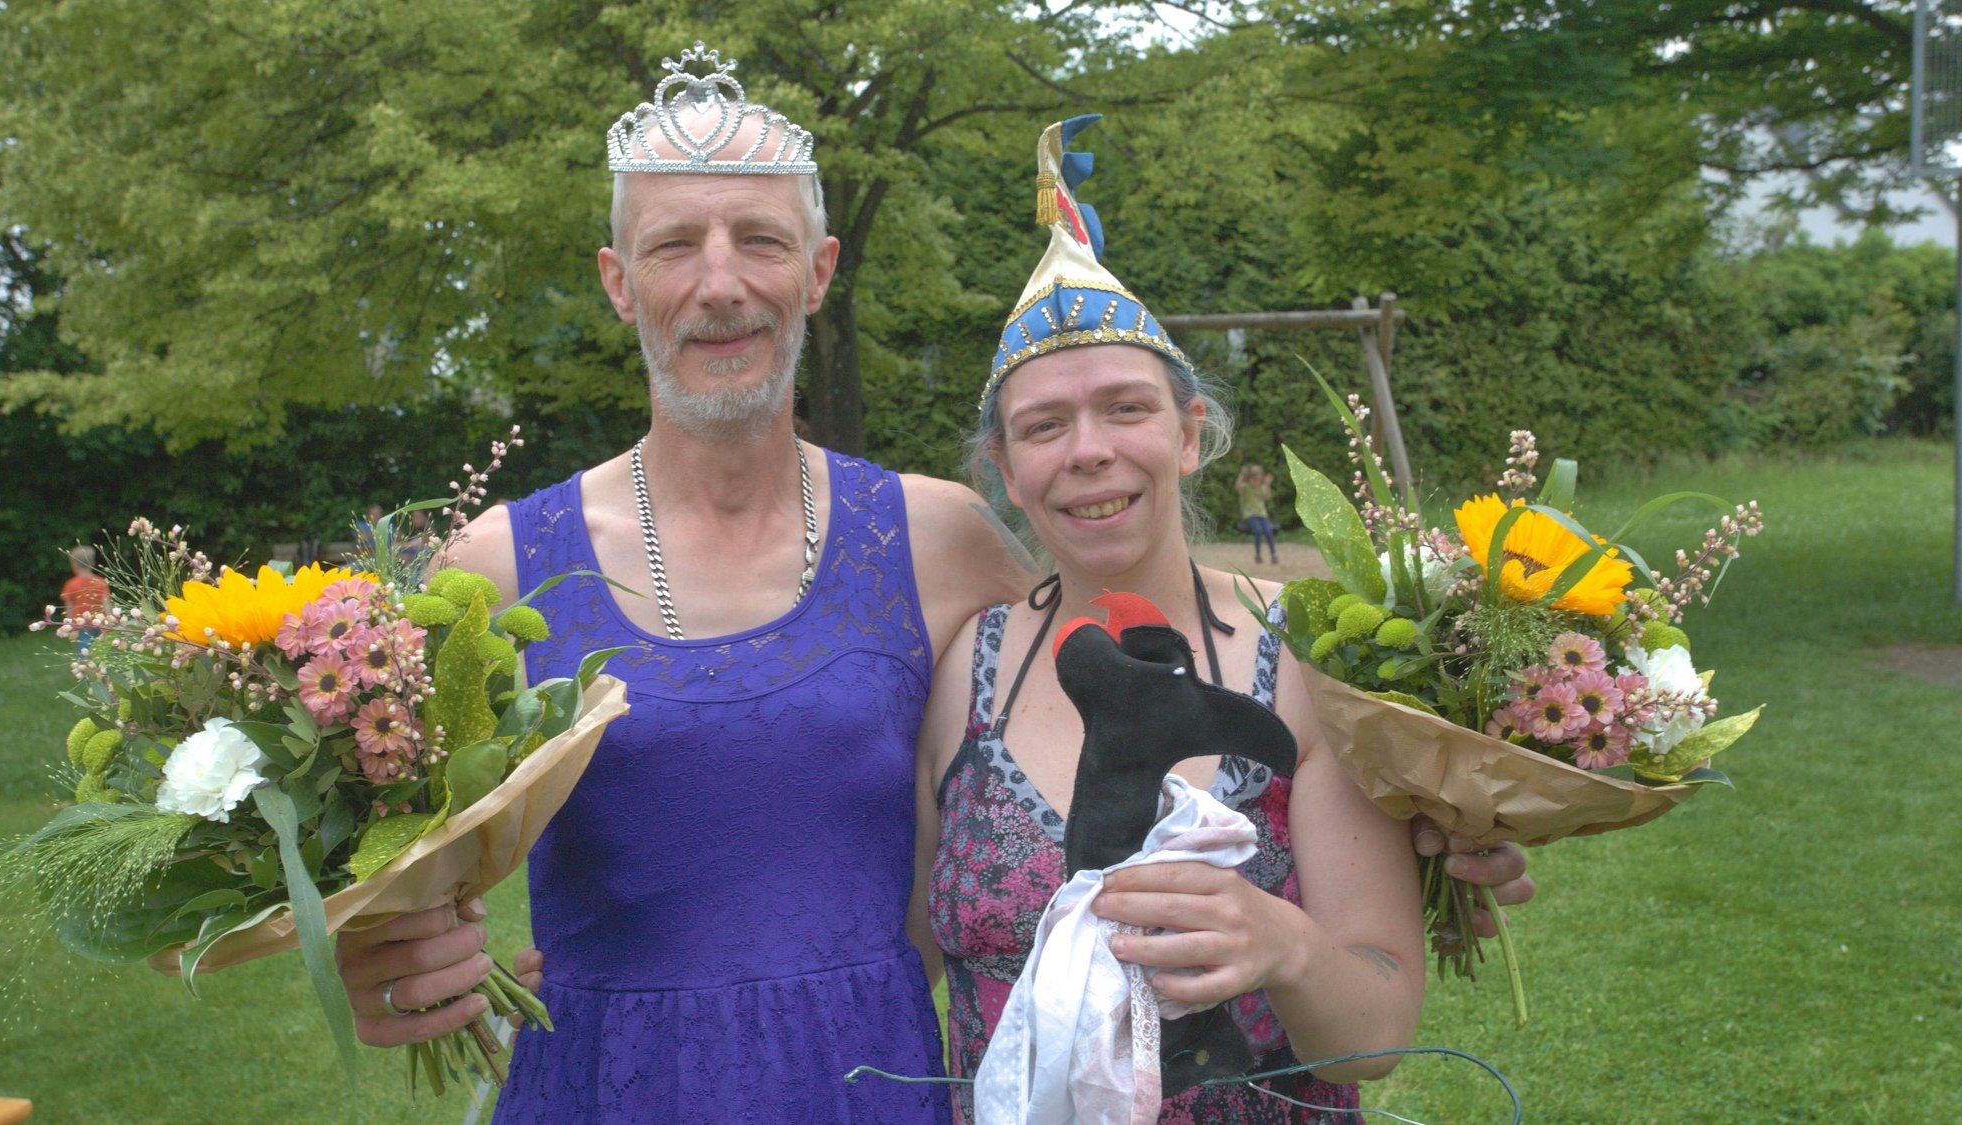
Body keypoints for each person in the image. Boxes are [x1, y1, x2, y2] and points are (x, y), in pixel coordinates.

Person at [334, 45, 1531, 1124]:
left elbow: (1099, 716)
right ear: (614, 279)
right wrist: (377, 950)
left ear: (817, 270)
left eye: (758, 240)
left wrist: (1435, 834)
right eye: (670, 246)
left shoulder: (936, 539)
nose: (718, 284)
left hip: (884, 1083)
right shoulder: (493, 569)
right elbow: (389, 848)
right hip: (608, 1085)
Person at [914, 116, 1418, 1123]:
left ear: (1190, 436)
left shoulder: (1308, 656)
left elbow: (1376, 1033)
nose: (1088, 450)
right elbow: (890, 951)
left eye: (1125, 409)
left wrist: (1285, 946)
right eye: (1044, 426)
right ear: (1003, 473)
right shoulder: (963, 668)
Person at [60, 545, 111, 656]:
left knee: (85, 650)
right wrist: (110, 621)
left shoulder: (71, 584)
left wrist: (69, 625)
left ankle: (85, 670)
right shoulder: (100, 582)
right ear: (93, 563)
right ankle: (102, 670)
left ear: (74, 564)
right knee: (103, 651)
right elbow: (106, 604)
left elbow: (69, 607)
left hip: (82, 625)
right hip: (100, 623)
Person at [1237, 462, 1279, 565]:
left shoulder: (1262, 487)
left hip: (1262, 514)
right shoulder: (1246, 487)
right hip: (1250, 515)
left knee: (1269, 531)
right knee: (1258, 531)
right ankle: (1258, 555)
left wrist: (1268, 484)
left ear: (1261, 479)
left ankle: (1273, 554)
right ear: (1249, 479)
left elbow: (1267, 496)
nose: (1256, 481)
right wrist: (1241, 475)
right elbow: (1238, 486)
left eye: (1258, 479)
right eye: (1253, 479)